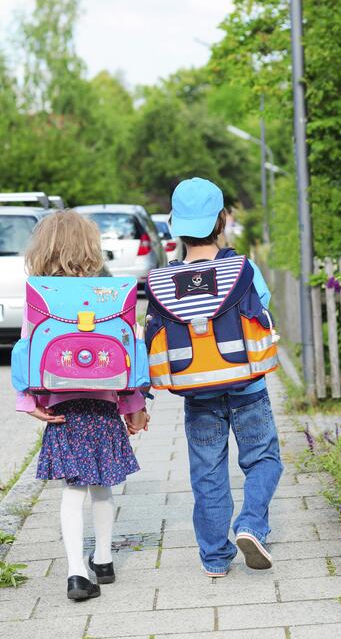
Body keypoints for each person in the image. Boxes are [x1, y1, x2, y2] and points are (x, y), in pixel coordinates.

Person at [14, 210, 149, 600]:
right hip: (104, 407)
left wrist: (29, 402)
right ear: (91, 247)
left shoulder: (39, 297)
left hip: (62, 410)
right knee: (103, 488)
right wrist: (135, 406)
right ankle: (103, 561)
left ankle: (76, 573)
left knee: (72, 493)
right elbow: (129, 352)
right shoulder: (111, 293)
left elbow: (26, 350)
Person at [169, 177, 283, 577]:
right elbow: (263, 307)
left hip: (197, 390)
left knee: (208, 472)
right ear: (221, 221)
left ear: (174, 224)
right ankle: (251, 524)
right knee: (263, 459)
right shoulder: (243, 269)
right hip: (247, 384)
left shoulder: (167, 280)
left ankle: (215, 557)